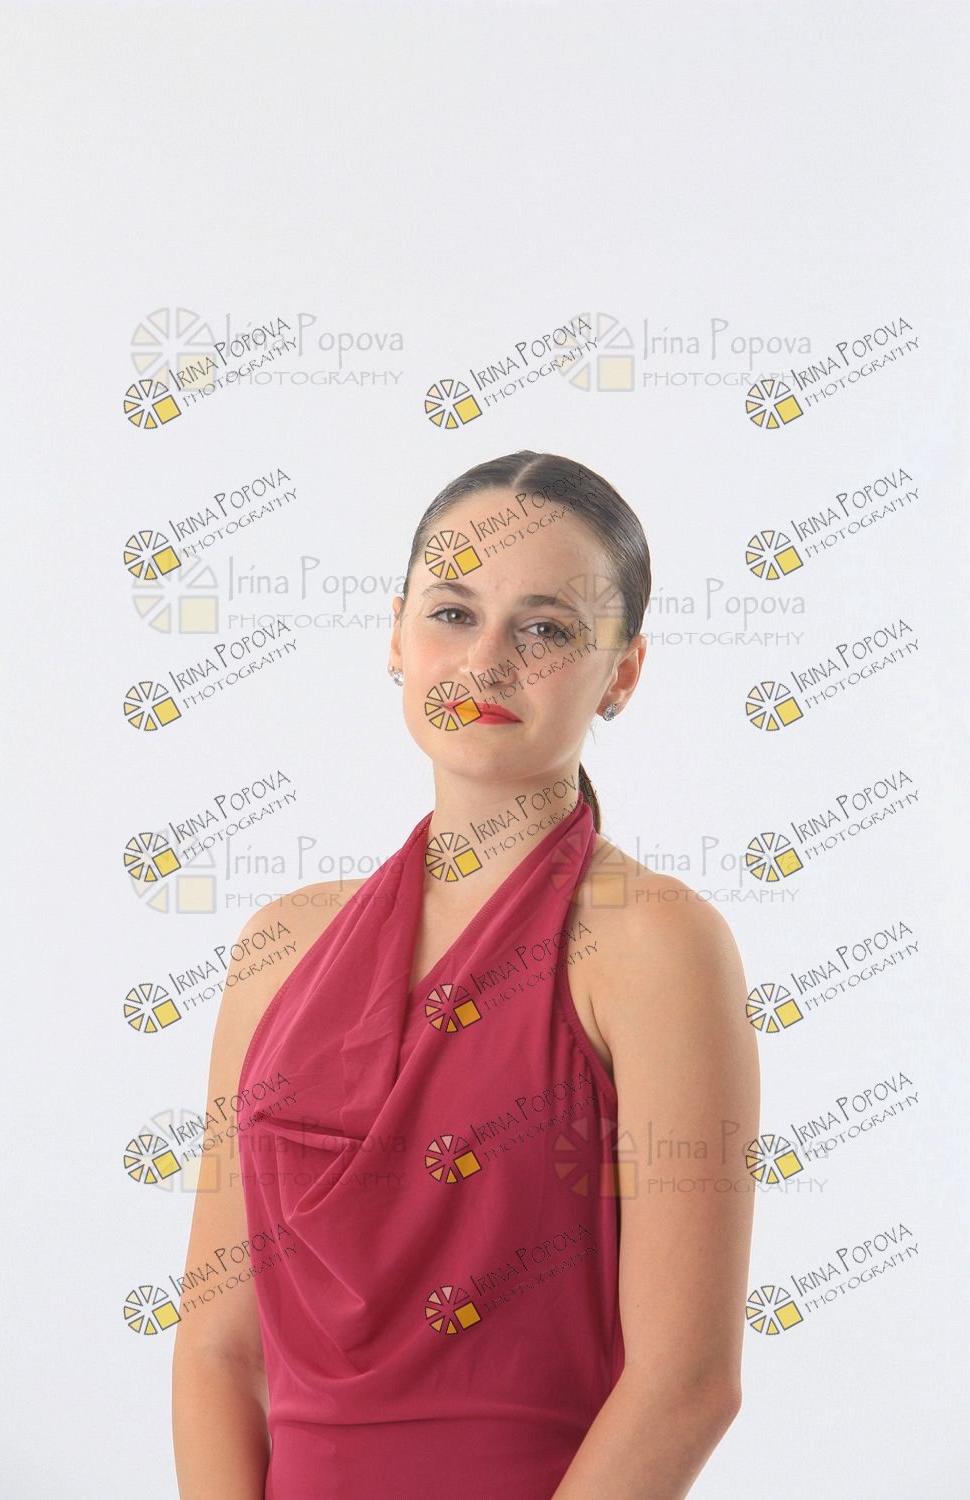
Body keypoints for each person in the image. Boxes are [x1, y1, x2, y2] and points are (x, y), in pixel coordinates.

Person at [172, 449, 760, 1500]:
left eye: (546, 629)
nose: (486, 661)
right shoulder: (279, 945)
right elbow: (220, 1345)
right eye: (453, 613)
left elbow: (687, 1385)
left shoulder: (656, 945)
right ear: (397, 635)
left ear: (622, 673)